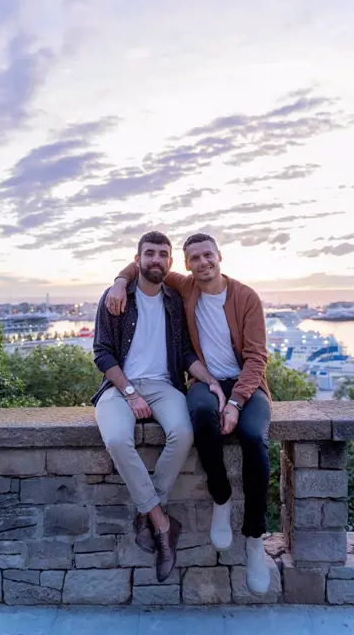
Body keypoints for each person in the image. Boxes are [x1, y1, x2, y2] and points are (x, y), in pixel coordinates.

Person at [105, 233, 272, 595]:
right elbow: (142, 265)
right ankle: (221, 499)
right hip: (205, 381)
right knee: (200, 419)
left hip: (246, 385)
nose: (203, 263)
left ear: (219, 256)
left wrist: (236, 402)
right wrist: (119, 282)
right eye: (194, 258)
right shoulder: (185, 286)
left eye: (207, 255)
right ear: (186, 265)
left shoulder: (245, 297)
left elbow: (258, 359)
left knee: (254, 439)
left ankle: (256, 539)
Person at [92, 231, 225, 583]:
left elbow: (183, 352)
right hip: (119, 387)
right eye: (149, 253)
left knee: (183, 433)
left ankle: (147, 513)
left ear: (170, 262)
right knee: (119, 440)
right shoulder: (116, 298)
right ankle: (163, 524)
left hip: (164, 385)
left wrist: (210, 381)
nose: (156, 259)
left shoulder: (173, 302)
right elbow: (102, 353)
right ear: (138, 260)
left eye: (162, 254)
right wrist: (131, 393)